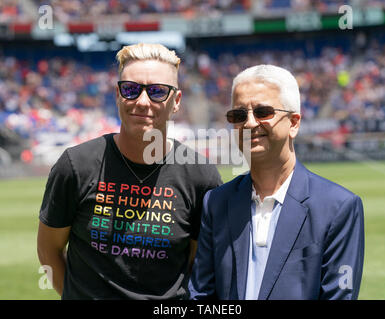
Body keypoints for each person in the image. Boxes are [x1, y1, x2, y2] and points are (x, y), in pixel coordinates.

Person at [37, 43, 222, 300]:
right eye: (131, 90)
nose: (142, 102)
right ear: (117, 94)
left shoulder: (200, 176)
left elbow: (196, 264)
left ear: (176, 101)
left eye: (157, 92)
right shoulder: (76, 165)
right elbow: (49, 251)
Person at [189, 64, 364, 300]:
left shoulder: (339, 207)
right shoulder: (217, 202)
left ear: (293, 123)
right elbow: (201, 295)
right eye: (239, 115)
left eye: (263, 112)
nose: (249, 123)